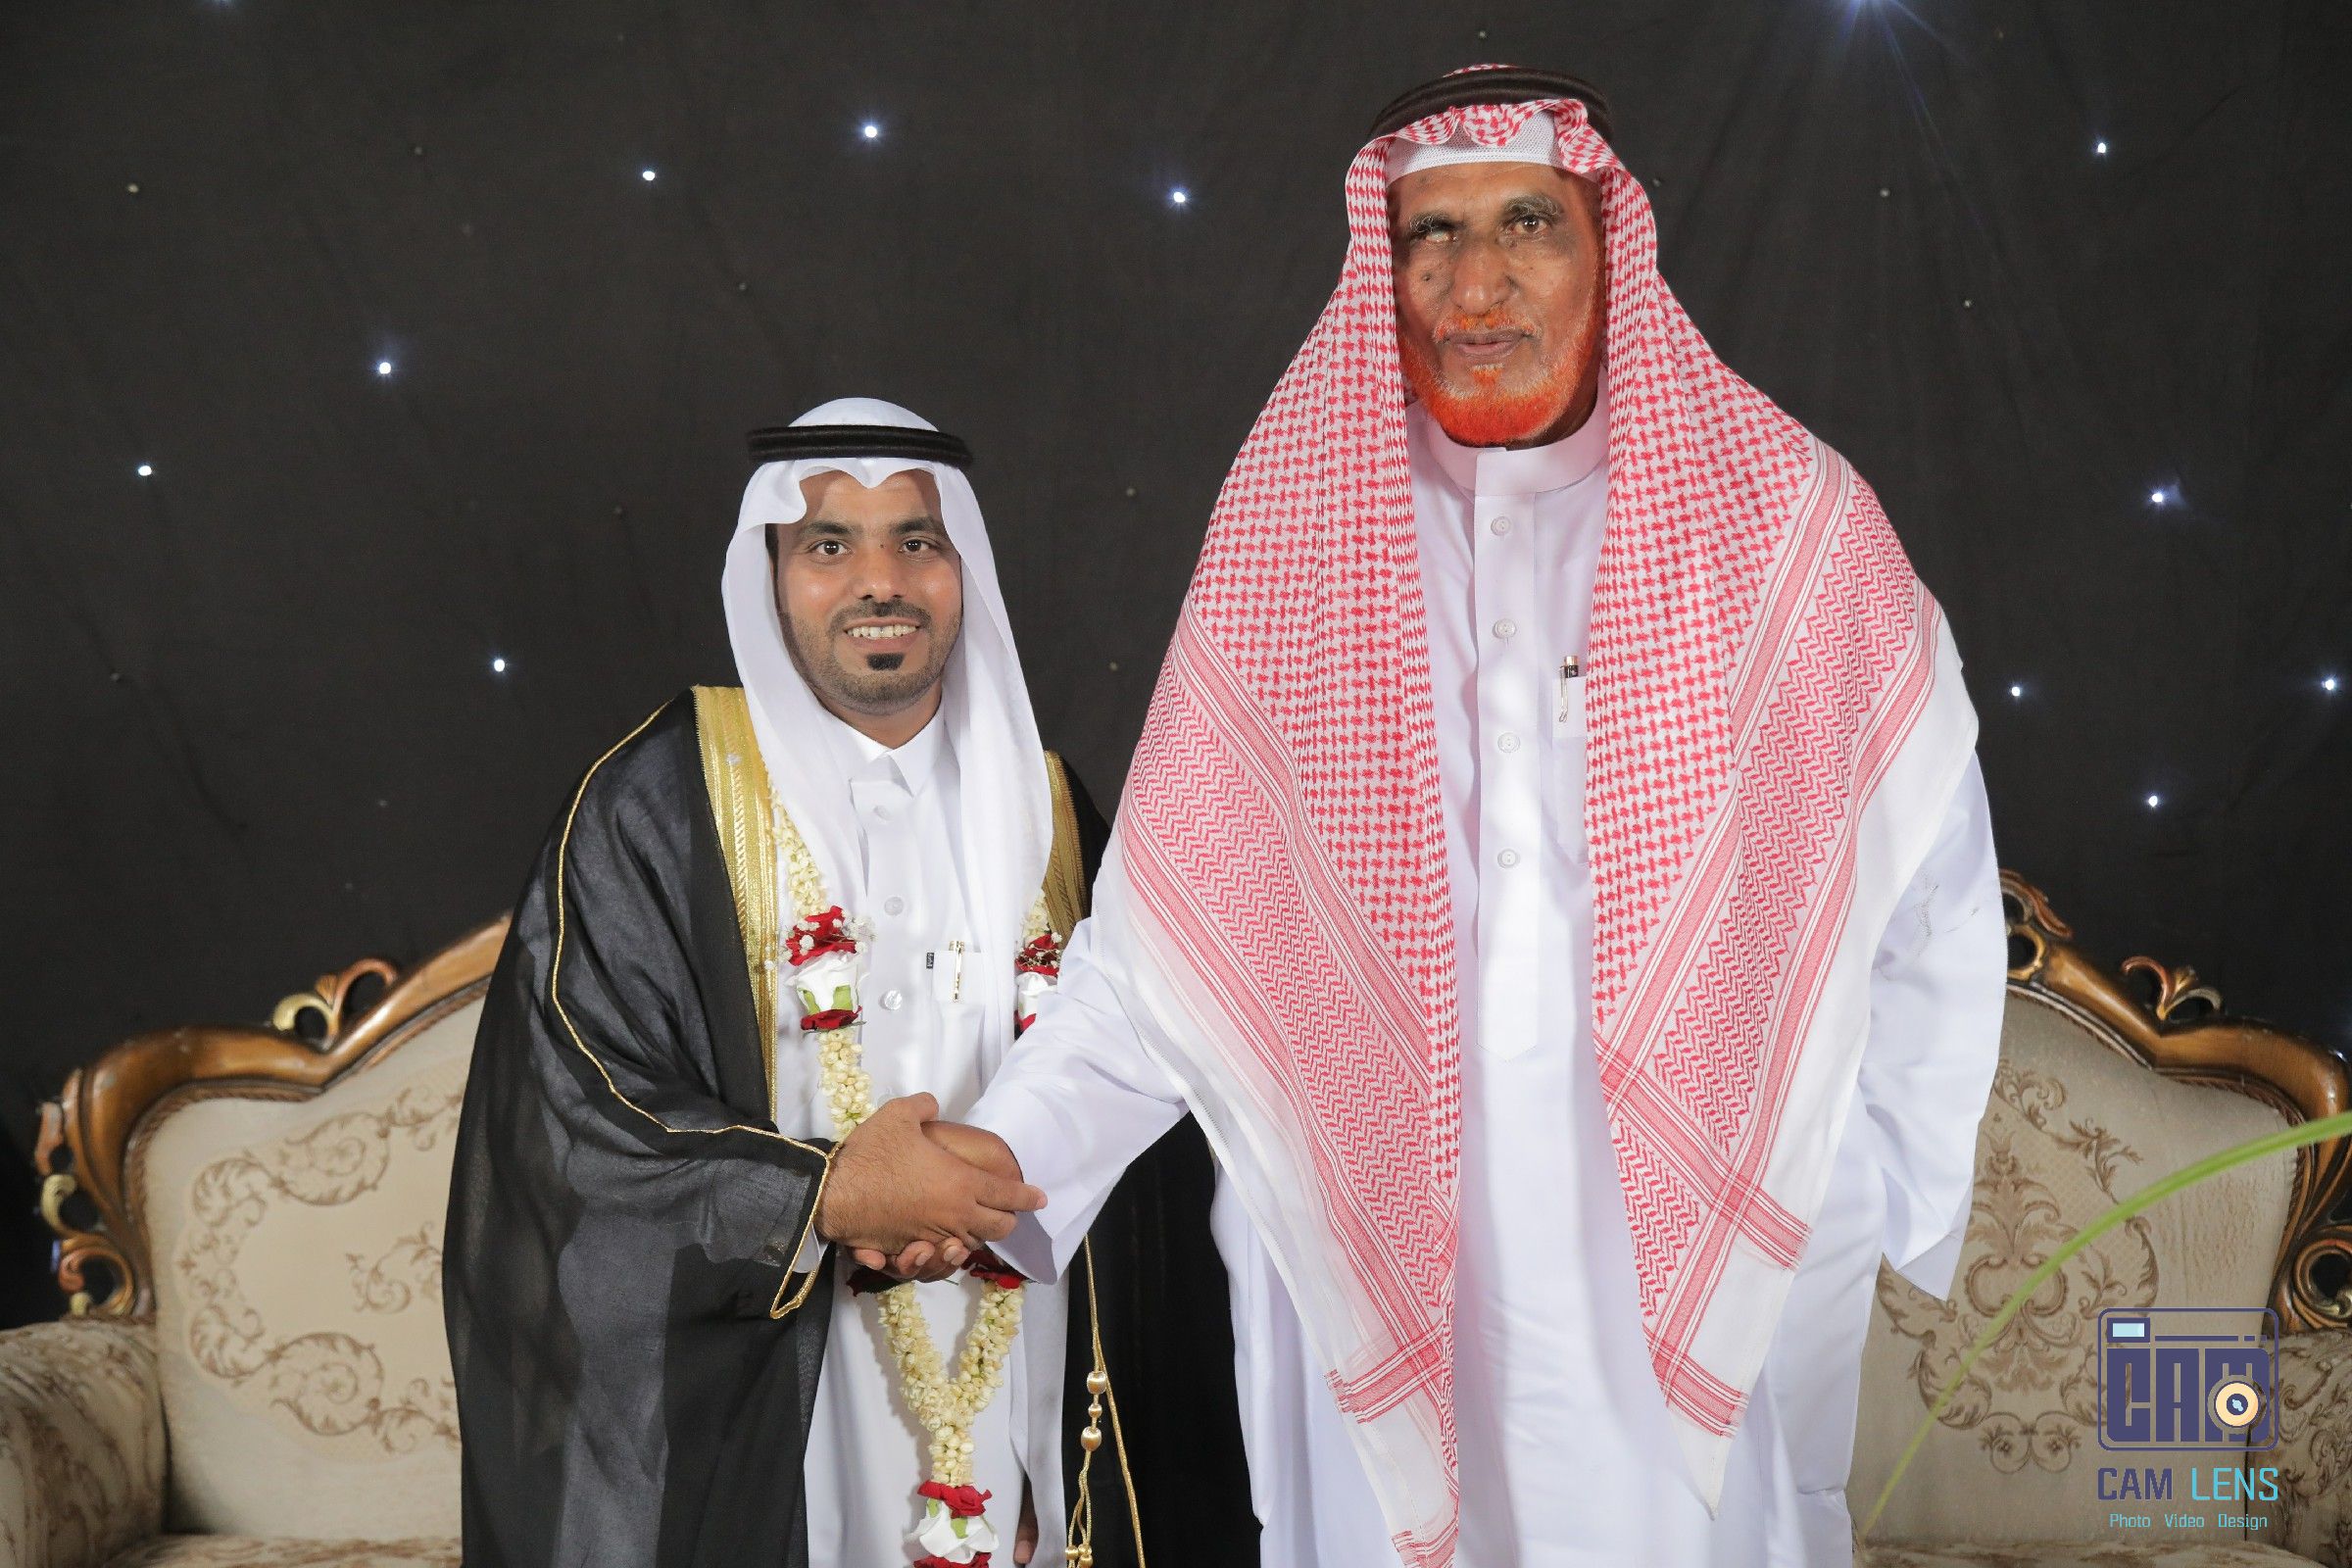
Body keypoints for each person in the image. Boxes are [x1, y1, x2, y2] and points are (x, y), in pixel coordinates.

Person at [897, 69, 2008, 1566]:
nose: (1476, 285)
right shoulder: (1302, 537)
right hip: (1376, 1232)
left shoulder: (1785, 528)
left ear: (1608, 246)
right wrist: (995, 1165)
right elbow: (1165, 951)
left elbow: (1929, 882)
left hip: (1680, 1252)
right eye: (1432, 235)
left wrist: (1876, 1189)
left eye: (1527, 223)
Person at [444, 399, 1243, 1568]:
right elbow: (573, 1121)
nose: (882, 580)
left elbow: (1155, 1070)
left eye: (918, 540)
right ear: (771, 576)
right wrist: (819, 1197)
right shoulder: (659, 803)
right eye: (829, 543)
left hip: (1026, 1362)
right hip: (776, 1395)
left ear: (963, 569)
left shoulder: (1052, 810)